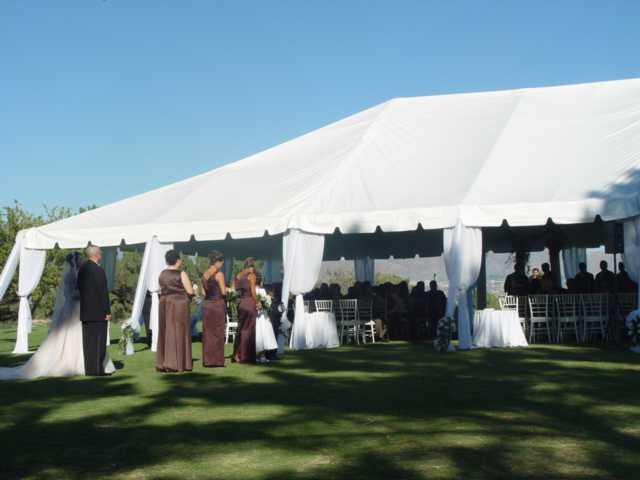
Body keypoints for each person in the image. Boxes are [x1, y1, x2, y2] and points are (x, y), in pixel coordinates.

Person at [0, 251, 115, 380]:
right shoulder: (71, 274)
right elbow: (69, 293)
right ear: (74, 261)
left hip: (78, 307)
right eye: (79, 259)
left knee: (81, 337)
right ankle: (74, 363)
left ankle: (84, 364)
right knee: (75, 336)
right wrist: (86, 292)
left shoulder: (78, 272)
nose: (81, 261)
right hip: (73, 308)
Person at [77, 246, 114, 376]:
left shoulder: (82, 269)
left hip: (86, 312)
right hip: (98, 312)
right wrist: (107, 311)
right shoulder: (98, 270)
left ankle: (89, 369)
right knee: (98, 343)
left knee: (88, 343)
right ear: (97, 255)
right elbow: (102, 292)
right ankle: (97, 370)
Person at [155, 250, 195, 373]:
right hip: (178, 304)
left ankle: (164, 361)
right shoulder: (181, 273)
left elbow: (160, 291)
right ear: (177, 260)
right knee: (179, 330)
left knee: (166, 331)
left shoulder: (162, 274)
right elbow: (190, 291)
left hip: (165, 303)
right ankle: (178, 362)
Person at [200, 250, 227, 368]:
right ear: (217, 262)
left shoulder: (204, 274)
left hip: (207, 305)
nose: (222, 265)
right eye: (221, 263)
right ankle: (216, 360)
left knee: (208, 333)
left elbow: (202, 292)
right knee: (217, 332)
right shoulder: (218, 274)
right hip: (216, 304)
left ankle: (207, 360)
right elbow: (224, 292)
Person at [232, 257, 259, 364]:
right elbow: (253, 292)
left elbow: (233, 290)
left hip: (241, 303)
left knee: (241, 329)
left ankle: (236, 355)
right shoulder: (251, 275)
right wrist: (258, 303)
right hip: (249, 302)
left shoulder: (237, 276)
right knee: (249, 329)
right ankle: (247, 356)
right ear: (251, 268)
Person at [254, 274, 278, 362]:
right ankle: (262, 356)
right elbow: (266, 303)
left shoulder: (252, 291)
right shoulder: (262, 291)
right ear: (261, 282)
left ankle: (255, 355)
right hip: (262, 315)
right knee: (263, 334)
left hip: (257, 314)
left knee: (257, 334)